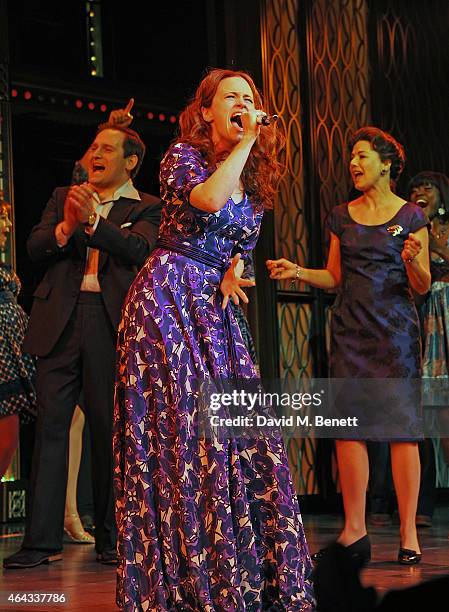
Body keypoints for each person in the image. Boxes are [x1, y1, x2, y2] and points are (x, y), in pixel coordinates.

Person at [113, 68, 314, 611]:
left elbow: (240, 236)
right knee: (184, 436)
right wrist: (247, 140)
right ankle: (179, 579)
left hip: (214, 309)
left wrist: (234, 267)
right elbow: (205, 202)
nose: (243, 105)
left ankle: (240, 573)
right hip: (168, 299)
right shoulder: (183, 155)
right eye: (231, 98)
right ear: (206, 112)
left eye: (250, 100)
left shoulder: (256, 175)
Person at [267, 126, 431, 565]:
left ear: (386, 164)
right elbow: (334, 277)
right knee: (349, 429)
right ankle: (354, 529)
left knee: (401, 433)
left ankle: (408, 531)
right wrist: (298, 271)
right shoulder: (342, 215)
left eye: (362, 156)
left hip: (394, 334)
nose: (354, 165)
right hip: (350, 333)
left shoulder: (413, 217)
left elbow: (422, 286)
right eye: (351, 158)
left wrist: (413, 260)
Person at [4, 124, 162, 569]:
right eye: (92, 146)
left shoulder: (148, 206)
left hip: (110, 324)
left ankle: (112, 539)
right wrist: (66, 226)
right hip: (60, 320)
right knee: (51, 429)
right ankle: (40, 542)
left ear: (130, 161)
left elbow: (137, 249)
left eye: (106, 148)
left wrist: (94, 222)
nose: (95, 154)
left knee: (108, 432)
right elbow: (35, 246)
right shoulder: (63, 196)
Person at [409, 171, 449, 523]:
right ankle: (423, 505)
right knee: (428, 416)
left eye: (428, 188)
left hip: (447, 310)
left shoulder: (441, 229)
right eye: (415, 188)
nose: (420, 192)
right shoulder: (409, 228)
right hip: (426, 318)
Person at [0, 198, 36, 478]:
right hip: (2, 362)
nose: (8, 225)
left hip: (12, 355)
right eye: (2, 217)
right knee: (6, 438)